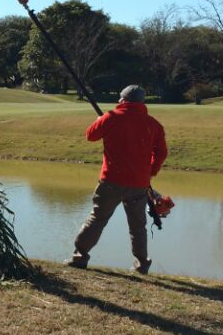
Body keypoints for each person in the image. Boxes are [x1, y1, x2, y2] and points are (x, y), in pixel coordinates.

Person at [67, 84, 168, 274]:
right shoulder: (153, 124)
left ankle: (79, 256)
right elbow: (161, 153)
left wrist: (100, 120)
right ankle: (142, 264)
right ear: (142, 102)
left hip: (111, 180)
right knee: (138, 226)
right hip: (139, 183)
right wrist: (150, 172)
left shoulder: (111, 117)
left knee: (97, 218)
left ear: (123, 99)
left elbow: (90, 135)